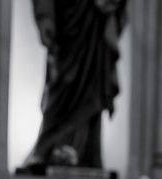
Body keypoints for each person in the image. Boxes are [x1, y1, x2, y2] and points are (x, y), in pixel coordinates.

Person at [25, 0, 127, 170]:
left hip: (94, 21)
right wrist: (45, 15)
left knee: (92, 89)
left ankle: (86, 154)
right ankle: (49, 149)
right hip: (68, 21)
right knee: (63, 83)